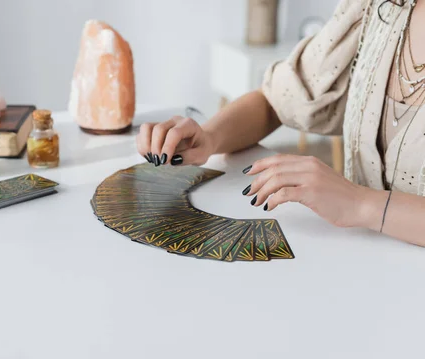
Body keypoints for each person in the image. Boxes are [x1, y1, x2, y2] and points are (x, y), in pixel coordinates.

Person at [136, 0, 425, 247]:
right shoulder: (378, 9)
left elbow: (358, 204)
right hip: (361, 271)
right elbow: (277, 100)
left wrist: (360, 203)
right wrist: (209, 137)